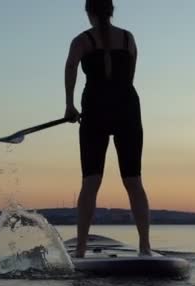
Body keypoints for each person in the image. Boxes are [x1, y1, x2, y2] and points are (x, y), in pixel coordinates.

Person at [64, 0, 151, 257]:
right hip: (127, 108)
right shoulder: (128, 38)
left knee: (91, 181)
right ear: (111, 12)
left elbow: (70, 68)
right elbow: (130, 75)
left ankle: (80, 250)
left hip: (96, 108)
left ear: (89, 13)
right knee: (133, 180)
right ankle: (145, 246)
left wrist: (69, 106)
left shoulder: (81, 40)